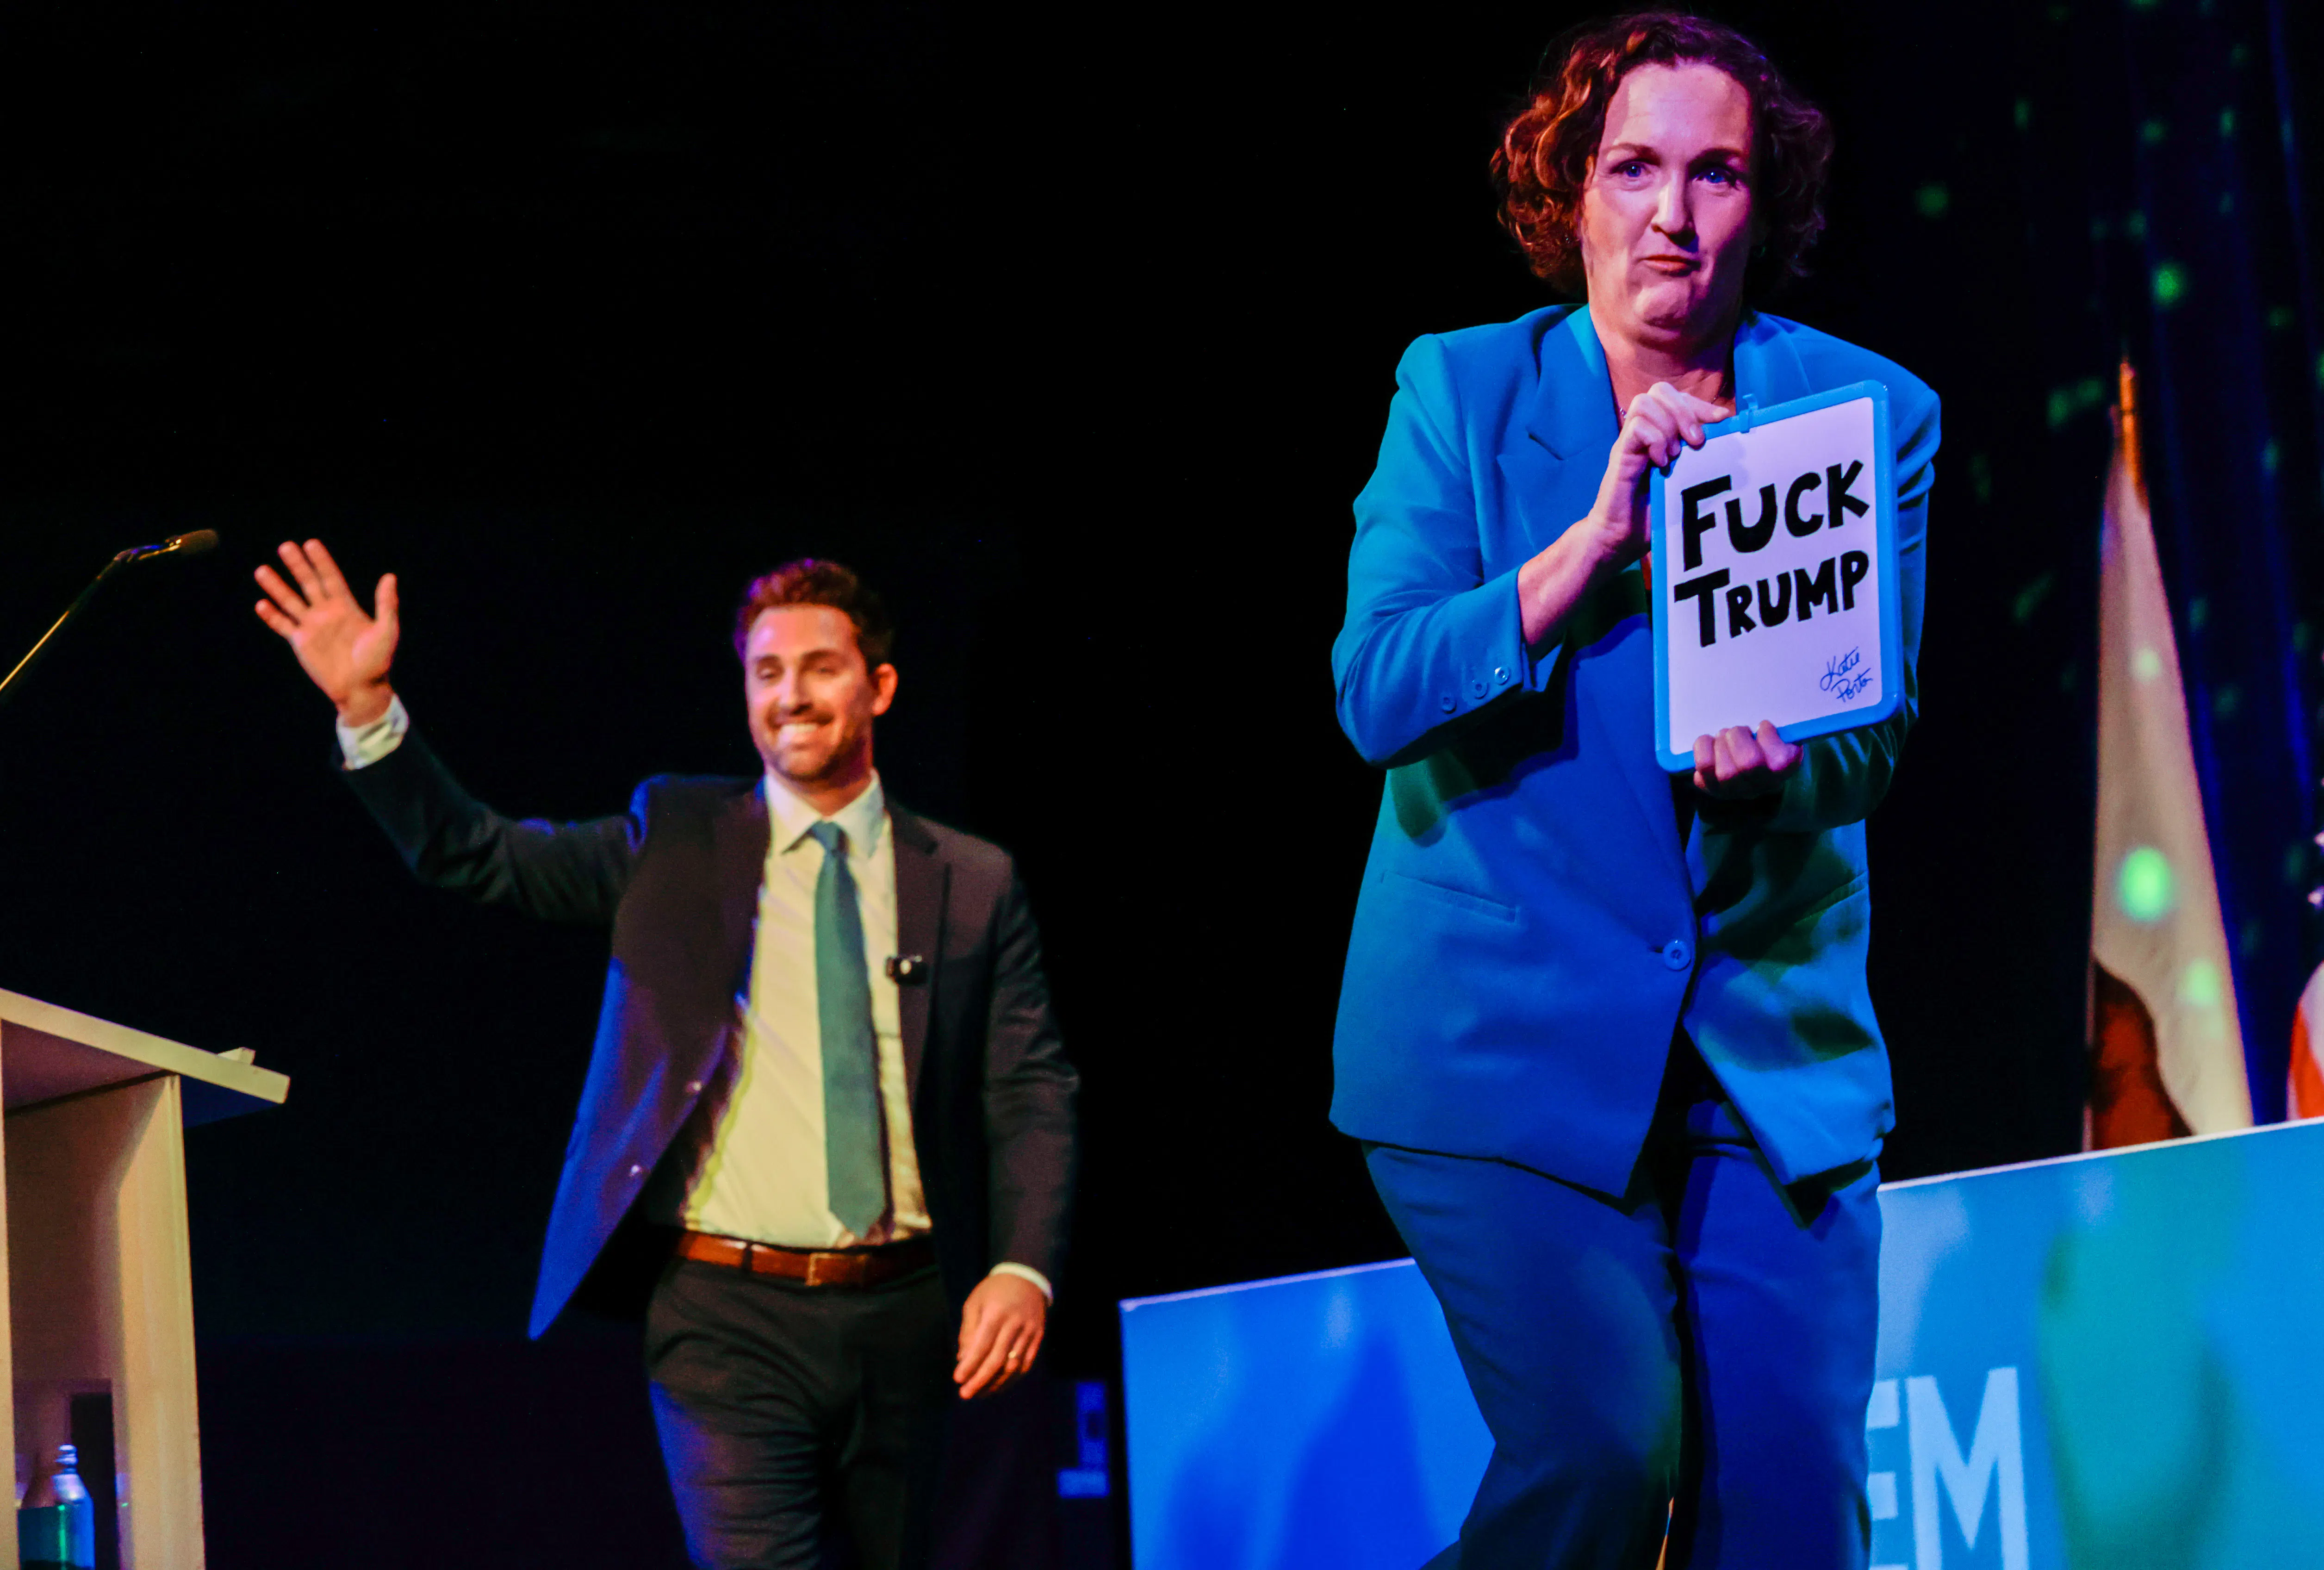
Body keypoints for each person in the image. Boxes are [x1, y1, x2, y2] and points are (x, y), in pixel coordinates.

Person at [1330, 13, 1939, 1570]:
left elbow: (1875, 737)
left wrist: (1794, 762)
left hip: (1762, 1048)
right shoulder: (1461, 395)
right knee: (1604, 1454)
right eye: (1635, 168)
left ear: (1765, 201)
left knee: (1797, 1517)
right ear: (1572, 194)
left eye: (1717, 172)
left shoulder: (1863, 415)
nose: (1674, 212)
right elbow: (1378, 688)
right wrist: (1586, 542)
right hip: (1499, 1035)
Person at [254, 545, 1077, 1570]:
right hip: (723, 1318)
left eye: (820, 666)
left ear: (881, 686)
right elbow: (476, 853)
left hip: (906, 1318)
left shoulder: (973, 880)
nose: (791, 695)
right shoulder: (676, 833)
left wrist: (1023, 1267)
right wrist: (370, 711)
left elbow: (1030, 1084)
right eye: (766, 671)